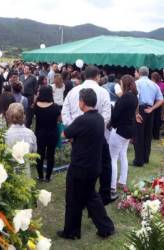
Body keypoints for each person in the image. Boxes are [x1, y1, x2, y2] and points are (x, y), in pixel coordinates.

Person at [58, 88, 114, 240]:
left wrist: (73, 138)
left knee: (73, 199)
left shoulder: (83, 119)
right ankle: (106, 227)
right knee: (91, 197)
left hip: (80, 167)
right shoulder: (99, 119)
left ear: (82, 102)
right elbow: (87, 137)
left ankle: (71, 232)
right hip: (93, 166)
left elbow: (65, 133)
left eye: (79, 100)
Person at [62, 65, 113, 205]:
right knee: (103, 164)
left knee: (79, 163)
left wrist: (72, 129)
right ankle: (102, 194)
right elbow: (106, 116)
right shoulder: (103, 92)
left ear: (84, 75)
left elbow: (65, 112)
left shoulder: (73, 91)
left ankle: (81, 193)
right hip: (97, 134)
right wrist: (97, 130)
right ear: (97, 76)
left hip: (76, 135)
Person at [108, 75, 138, 198]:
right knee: (123, 155)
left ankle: (112, 186)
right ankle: (122, 181)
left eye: (121, 83)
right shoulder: (134, 97)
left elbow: (115, 115)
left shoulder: (124, 98)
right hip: (128, 129)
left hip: (119, 129)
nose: (119, 85)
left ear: (124, 84)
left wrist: (111, 125)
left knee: (113, 158)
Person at [133, 66, 163, 167]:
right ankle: (145, 158)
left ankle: (138, 160)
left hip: (140, 109)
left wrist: (136, 113)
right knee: (147, 135)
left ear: (139, 73)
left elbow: (136, 99)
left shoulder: (137, 83)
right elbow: (161, 99)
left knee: (138, 135)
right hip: (150, 110)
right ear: (148, 73)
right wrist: (152, 108)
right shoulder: (154, 84)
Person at [34, 86, 61, 182]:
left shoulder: (36, 105)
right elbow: (59, 120)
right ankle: (48, 177)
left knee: (39, 155)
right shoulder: (56, 107)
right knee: (50, 155)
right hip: (52, 133)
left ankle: (40, 176)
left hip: (40, 133)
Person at [151, 72, 164, 140]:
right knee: (157, 120)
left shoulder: (152, 84)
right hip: (160, 103)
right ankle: (156, 135)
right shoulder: (162, 84)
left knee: (152, 119)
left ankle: (151, 135)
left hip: (153, 103)